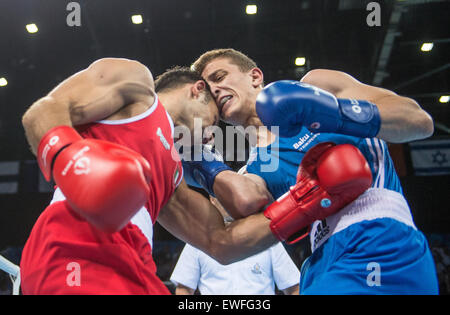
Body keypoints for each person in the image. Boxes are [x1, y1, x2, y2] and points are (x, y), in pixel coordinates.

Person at [20, 58, 369, 294]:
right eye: (214, 122)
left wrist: (308, 201)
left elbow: (222, 242)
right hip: (75, 246)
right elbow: (45, 110)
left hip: (136, 265)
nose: (210, 137)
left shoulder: (173, 178)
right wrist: (76, 163)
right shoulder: (137, 87)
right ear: (197, 89)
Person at [188, 48, 439, 294]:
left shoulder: (318, 85)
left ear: (255, 76)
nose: (215, 89)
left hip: (381, 240)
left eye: (219, 78)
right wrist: (198, 158)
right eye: (208, 90)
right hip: (319, 263)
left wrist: (335, 112)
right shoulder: (254, 170)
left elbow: (419, 122)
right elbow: (227, 234)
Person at [170, 188, 300, 295]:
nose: (228, 203)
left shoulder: (267, 238)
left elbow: (293, 288)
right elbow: (184, 289)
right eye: (223, 197)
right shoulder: (197, 241)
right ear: (212, 200)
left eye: (232, 197)